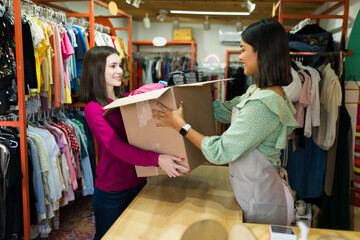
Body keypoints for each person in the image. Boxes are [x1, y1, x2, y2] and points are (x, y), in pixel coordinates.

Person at [152, 18, 299, 225]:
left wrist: (181, 126)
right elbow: (224, 110)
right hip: (255, 192)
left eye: (243, 49)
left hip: (264, 203)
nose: (239, 57)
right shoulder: (256, 91)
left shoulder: (263, 104)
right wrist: (184, 99)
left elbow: (220, 151)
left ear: (262, 53)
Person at [79, 46, 190, 240]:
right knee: (108, 236)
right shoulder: (93, 109)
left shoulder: (126, 99)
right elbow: (115, 146)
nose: (120, 70)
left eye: (119, 65)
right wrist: (157, 159)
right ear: (97, 70)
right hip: (112, 188)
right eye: (112, 66)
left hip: (139, 181)